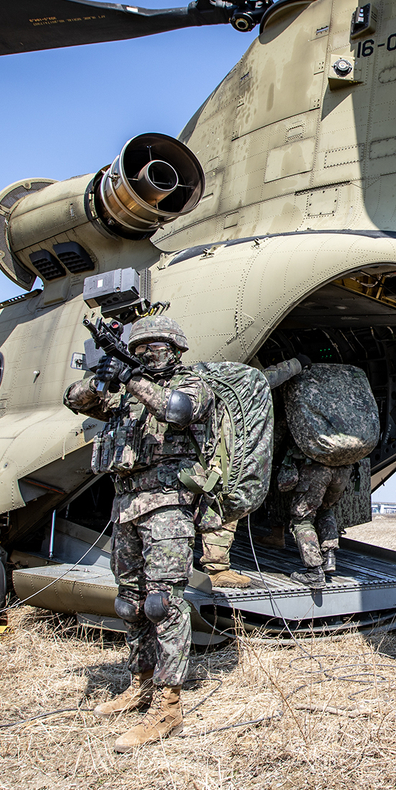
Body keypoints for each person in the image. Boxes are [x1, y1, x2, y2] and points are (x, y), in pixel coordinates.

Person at [62, 315, 211, 753]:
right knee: (129, 603)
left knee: (162, 602)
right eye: (139, 346)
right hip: (126, 505)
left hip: (168, 506)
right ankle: (141, 683)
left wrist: (133, 378)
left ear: (175, 348)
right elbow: (75, 400)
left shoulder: (193, 382)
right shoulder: (129, 394)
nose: (146, 353)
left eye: (154, 346)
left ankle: (168, 705)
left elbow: (177, 411)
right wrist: (101, 380)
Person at [197, 354, 308, 588]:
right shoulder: (238, 380)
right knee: (224, 502)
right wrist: (297, 363)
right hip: (219, 454)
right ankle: (216, 568)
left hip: (205, 452)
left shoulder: (200, 377)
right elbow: (266, 377)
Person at [280, 448, 353, 589]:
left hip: (316, 469)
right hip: (342, 471)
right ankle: (329, 556)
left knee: (302, 519)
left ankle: (314, 572)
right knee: (325, 510)